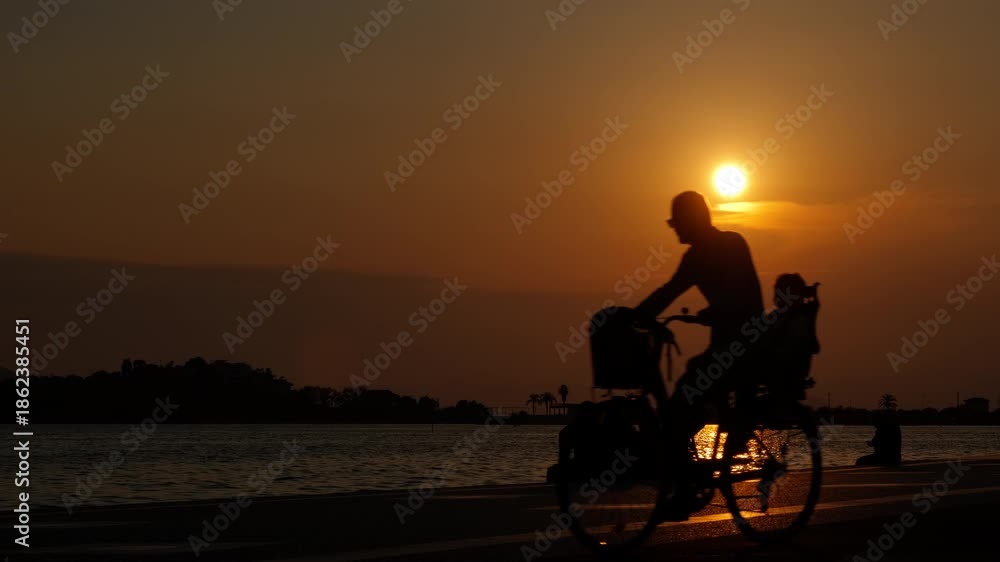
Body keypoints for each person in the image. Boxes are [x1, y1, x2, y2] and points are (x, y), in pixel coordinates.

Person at [635, 191, 764, 519]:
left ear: (692, 221)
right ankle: (694, 471)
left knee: (683, 399)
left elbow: (742, 295)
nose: (675, 229)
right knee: (690, 388)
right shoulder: (700, 255)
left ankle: (687, 487)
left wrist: (715, 312)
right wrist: (637, 315)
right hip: (726, 345)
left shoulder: (725, 246)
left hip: (742, 345)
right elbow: (670, 290)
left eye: (677, 223)